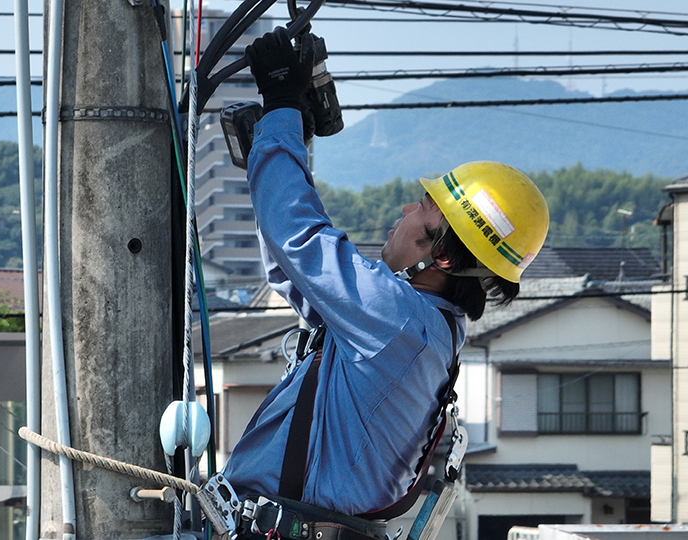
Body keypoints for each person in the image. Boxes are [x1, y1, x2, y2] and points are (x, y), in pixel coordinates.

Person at [220, 28, 550, 519]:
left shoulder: (396, 320)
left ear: (441, 258)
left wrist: (283, 107)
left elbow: (300, 236)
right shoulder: (420, 328)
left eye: (424, 208)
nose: (405, 209)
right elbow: (296, 264)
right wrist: (287, 130)